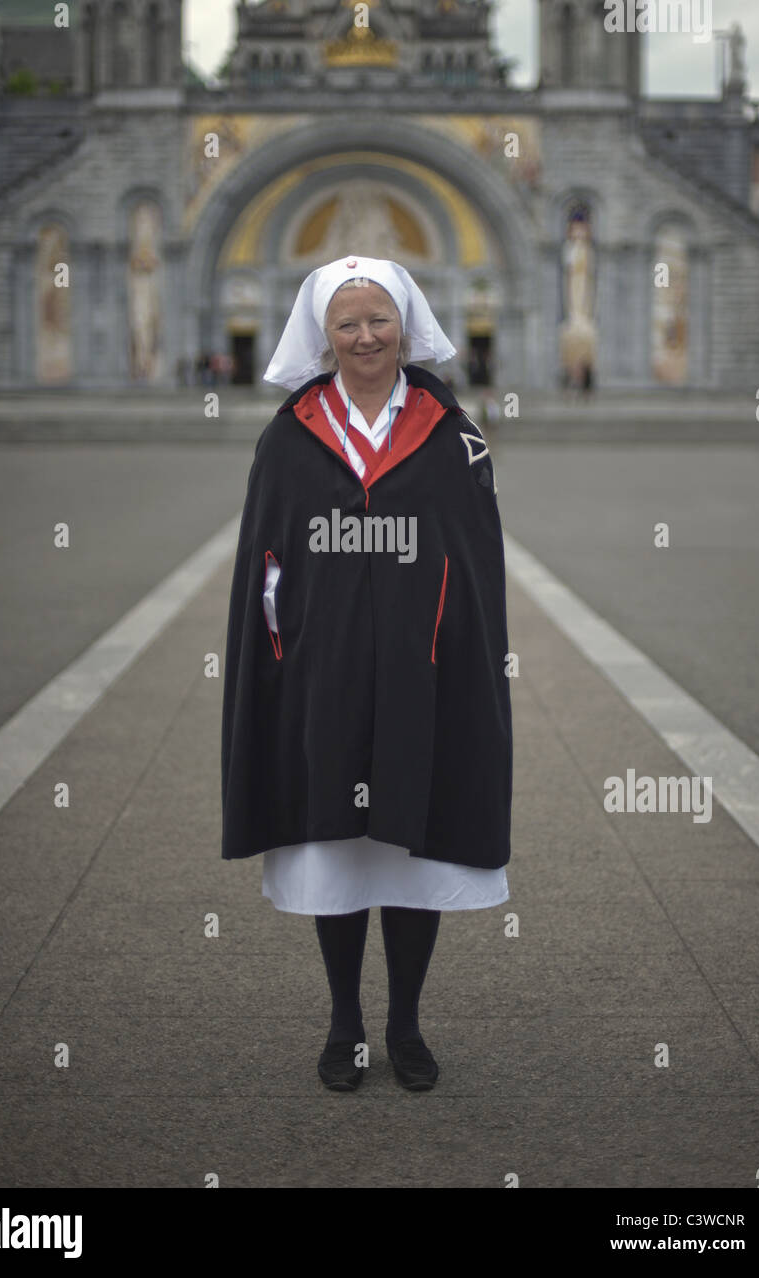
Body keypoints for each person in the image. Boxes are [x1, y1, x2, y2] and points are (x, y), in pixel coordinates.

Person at [221, 255, 513, 1092]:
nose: (364, 336)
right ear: (323, 334)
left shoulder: (452, 432)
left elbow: (474, 555)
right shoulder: (289, 436)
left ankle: (408, 1022)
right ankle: (346, 1022)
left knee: (413, 850)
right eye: (346, 323)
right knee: (341, 853)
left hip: (424, 676)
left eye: (378, 319)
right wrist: (287, 652)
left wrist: (465, 649)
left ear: (406, 325)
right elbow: (266, 565)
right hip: (325, 678)